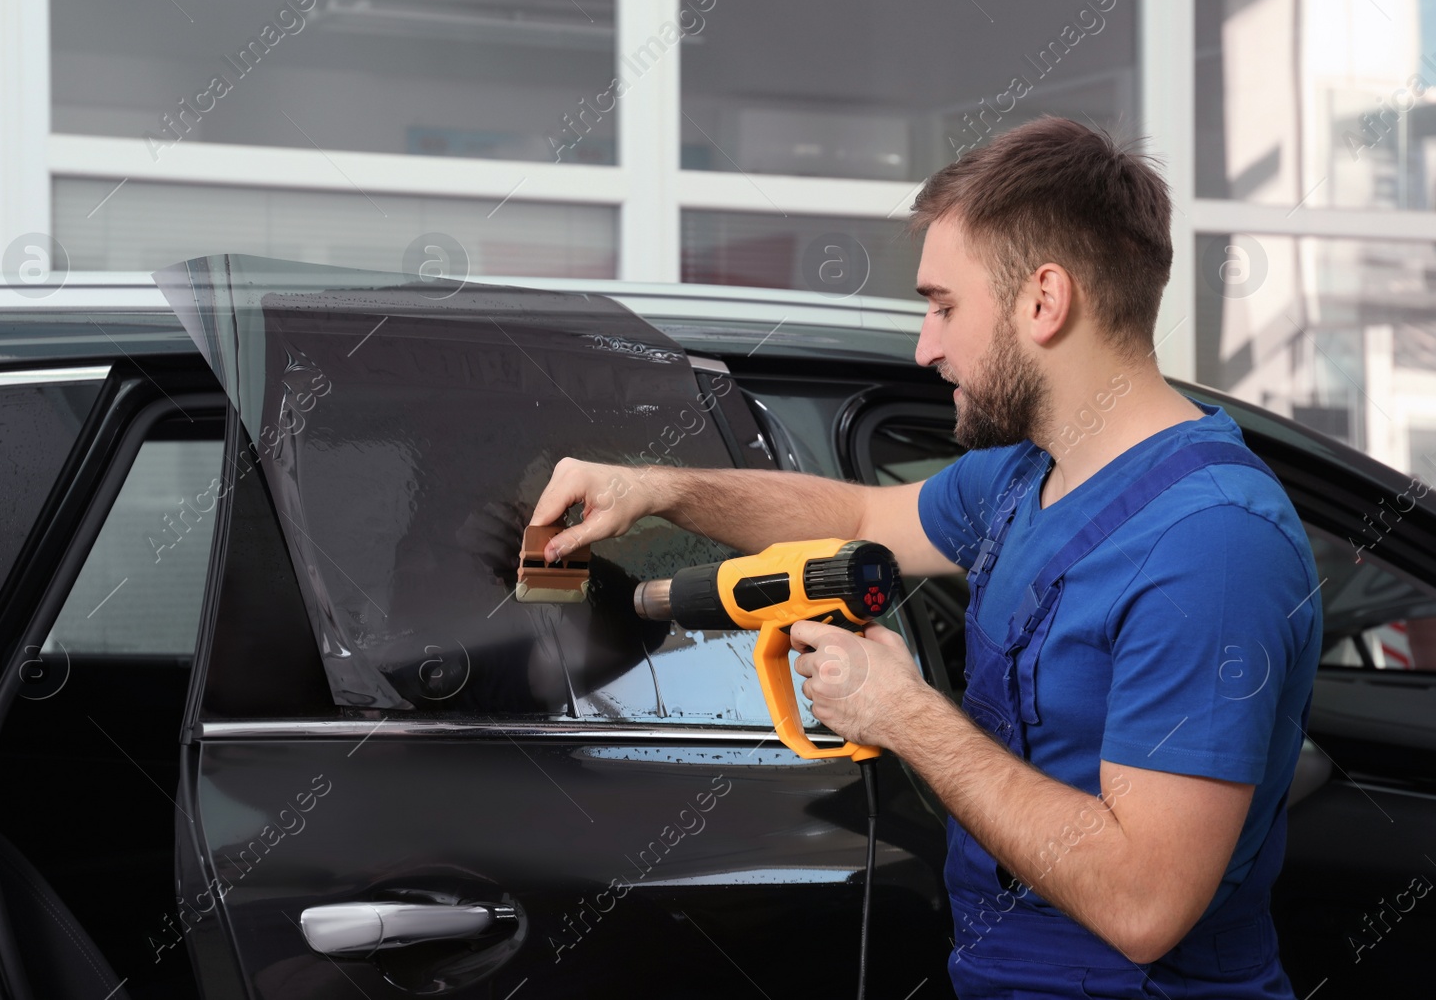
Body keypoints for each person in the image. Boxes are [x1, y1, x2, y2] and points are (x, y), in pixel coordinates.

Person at [526, 116, 1321, 999]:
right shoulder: (1024, 478)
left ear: (1043, 301)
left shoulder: (1210, 547)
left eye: (943, 305)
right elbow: (859, 512)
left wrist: (902, 714)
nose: (926, 346)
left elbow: (1144, 904)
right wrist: (658, 489)